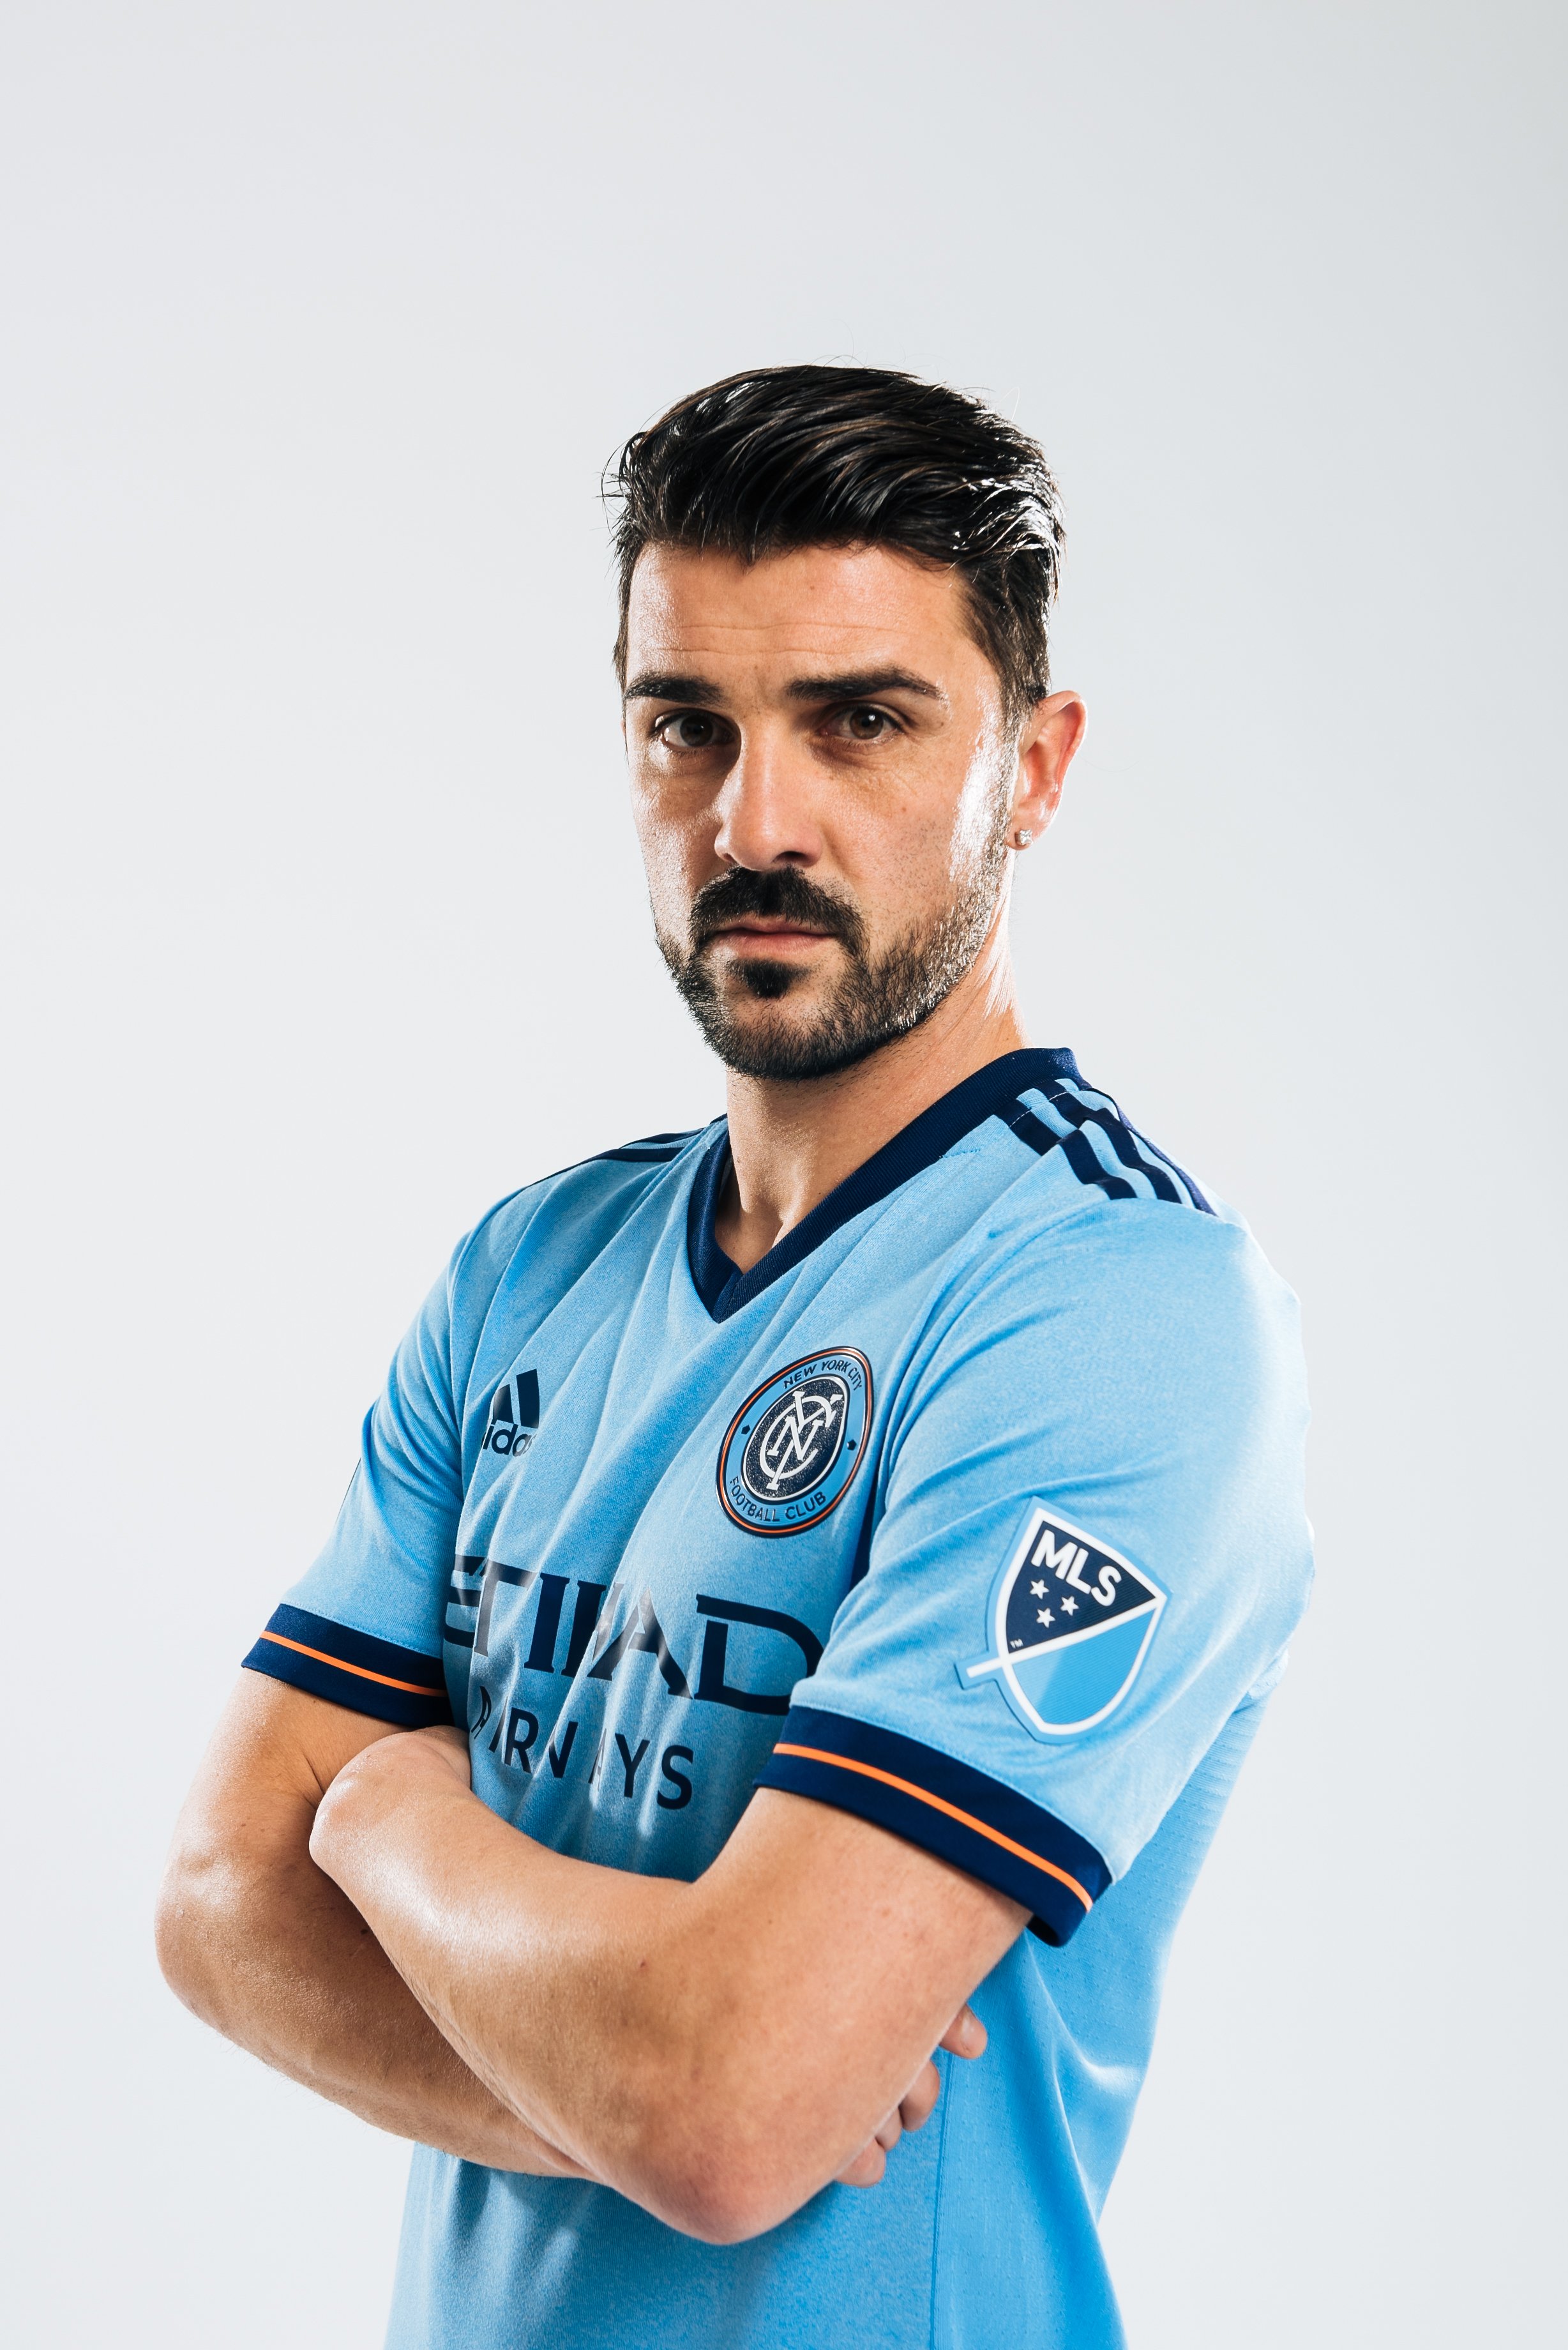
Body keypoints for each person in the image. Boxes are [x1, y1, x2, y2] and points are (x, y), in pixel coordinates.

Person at [156, 364, 1312, 2350]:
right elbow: (215, 1907)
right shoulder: (530, 1271)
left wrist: (393, 1822)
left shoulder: (1120, 1309)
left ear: (1033, 768)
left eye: (860, 722)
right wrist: (649, 2081)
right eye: (686, 725)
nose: (753, 821)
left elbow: (729, 2103)